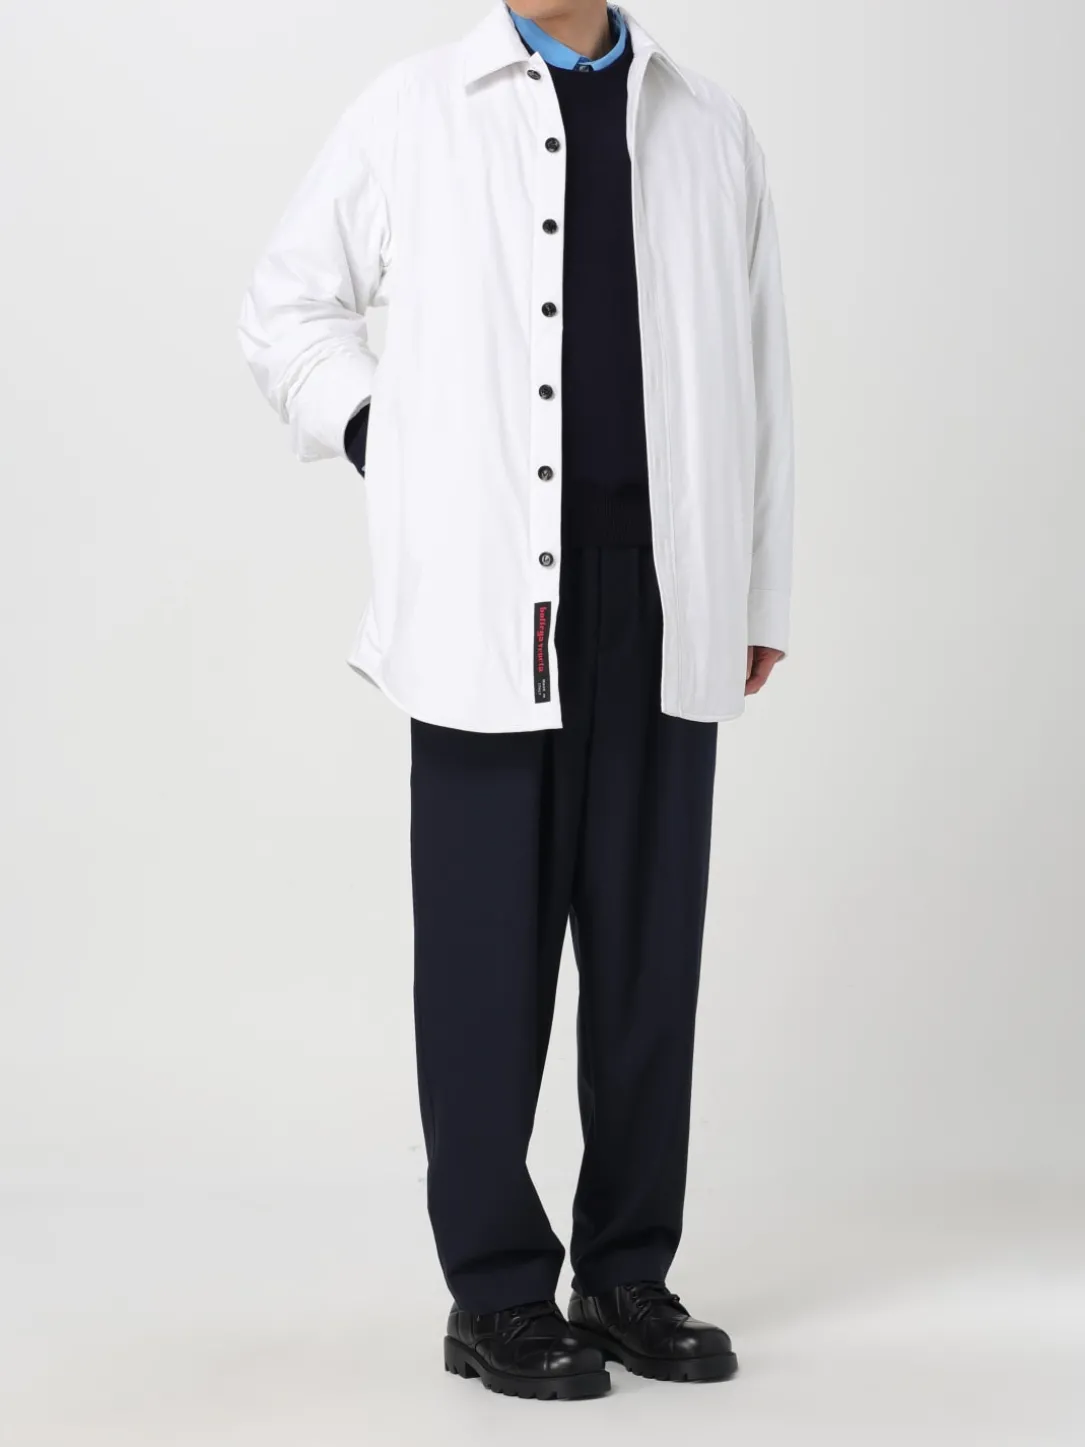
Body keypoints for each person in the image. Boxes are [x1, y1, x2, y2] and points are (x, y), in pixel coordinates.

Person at [239, 0, 793, 1402]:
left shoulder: (711, 128)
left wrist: (759, 592)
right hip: (488, 604)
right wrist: (388, 438)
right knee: (486, 965)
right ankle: (494, 1291)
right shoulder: (415, 110)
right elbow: (286, 306)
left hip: (667, 596)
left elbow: (760, 367)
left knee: (649, 962)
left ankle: (625, 1272)